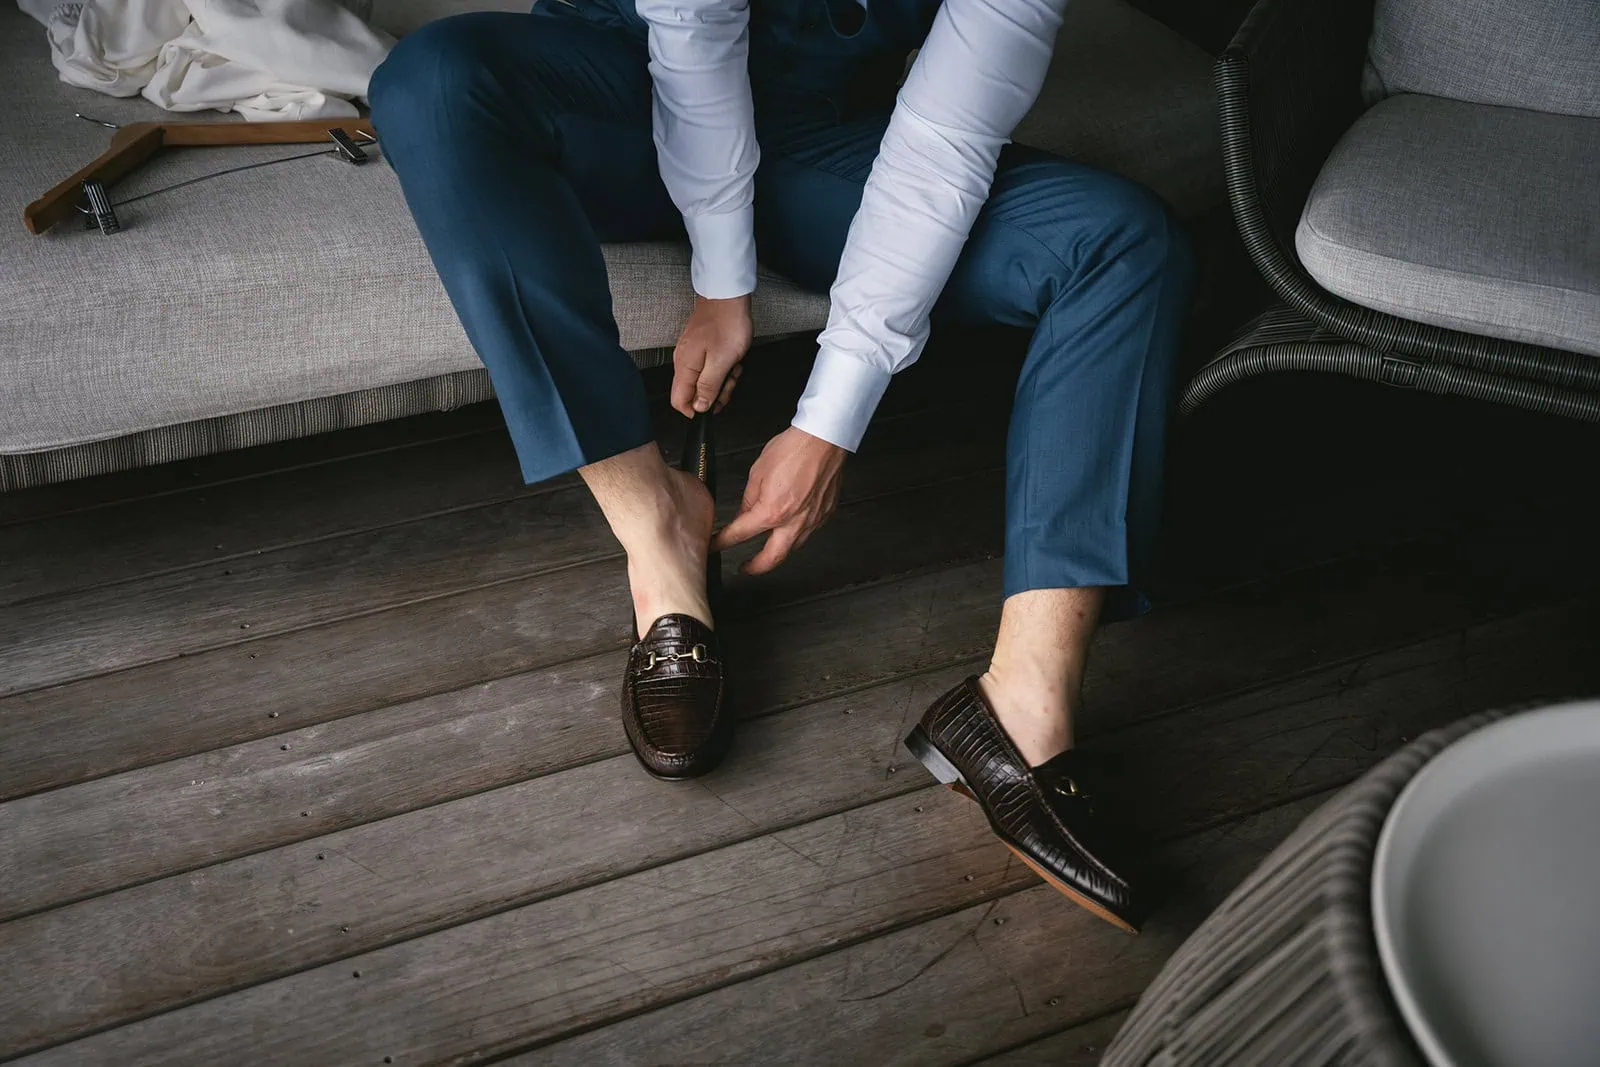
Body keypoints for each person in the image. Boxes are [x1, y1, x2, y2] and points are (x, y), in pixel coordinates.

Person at [368, 0, 1191, 933]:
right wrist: (724, 281)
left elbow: (942, 143)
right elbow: (693, 42)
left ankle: (1022, 705)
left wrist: (830, 419)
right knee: (435, 78)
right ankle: (660, 531)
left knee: (1121, 238)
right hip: (611, 88)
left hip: (815, 133)